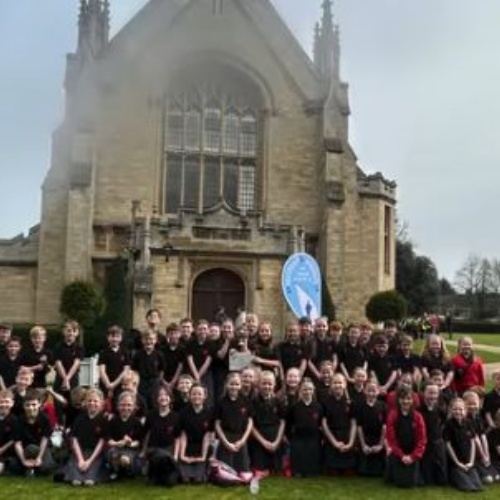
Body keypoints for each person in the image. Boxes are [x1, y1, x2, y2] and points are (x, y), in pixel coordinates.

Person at [64, 388, 108, 486]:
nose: (92, 403)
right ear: (85, 402)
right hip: (80, 452)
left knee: (89, 480)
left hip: (95, 454)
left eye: (95, 401)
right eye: (89, 401)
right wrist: (80, 459)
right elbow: (74, 439)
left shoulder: (104, 420)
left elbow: (101, 442)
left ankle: (91, 476)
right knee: (76, 480)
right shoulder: (79, 418)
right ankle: (76, 475)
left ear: (101, 403)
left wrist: (90, 461)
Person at [385, 385, 427, 488]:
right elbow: (391, 439)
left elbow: (422, 439)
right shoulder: (392, 415)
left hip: (413, 453)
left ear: (412, 400)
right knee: (400, 482)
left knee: (412, 483)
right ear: (398, 400)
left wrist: (413, 456)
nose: (405, 401)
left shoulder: (418, 416)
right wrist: (401, 455)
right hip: (398, 454)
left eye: (408, 399)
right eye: (403, 398)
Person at [214, 372, 253, 481]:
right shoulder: (221, 402)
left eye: (236, 384)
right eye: (231, 384)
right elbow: (217, 424)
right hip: (226, 438)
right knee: (225, 476)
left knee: (245, 475)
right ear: (227, 385)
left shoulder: (246, 401)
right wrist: (226, 442)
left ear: (240, 386)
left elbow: (250, 422)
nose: (234, 387)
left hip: (240, 438)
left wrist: (243, 440)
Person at [143, 385, 181, 486]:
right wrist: (144, 451)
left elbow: (177, 438)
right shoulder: (150, 415)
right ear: (157, 399)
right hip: (153, 449)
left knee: (170, 483)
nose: (163, 397)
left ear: (170, 398)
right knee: (162, 456)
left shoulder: (176, 416)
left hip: (169, 449)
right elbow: (147, 434)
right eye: (160, 395)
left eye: (166, 395)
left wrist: (175, 456)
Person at [250, 370, 285, 477]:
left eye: (270, 384)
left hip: (275, 436)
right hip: (259, 437)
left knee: (277, 469)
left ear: (274, 385)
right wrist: (263, 442)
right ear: (258, 384)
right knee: (259, 468)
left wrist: (277, 441)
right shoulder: (253, 402)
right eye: (264, 383)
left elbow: (282, 421)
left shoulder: (278, 401)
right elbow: (251, 425)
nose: (267, 386)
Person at [444, 397, 483, 492]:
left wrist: (471, 461)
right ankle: (457, 478)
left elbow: (473, 442)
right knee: (467, 487)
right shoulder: (448, 425)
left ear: (465, 410)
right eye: (455, 409)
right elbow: (448, 445)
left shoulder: (468, 423)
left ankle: (468, 475)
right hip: (456, 463)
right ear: (451, 410)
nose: (458, 412)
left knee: (478, 486)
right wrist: (457, 462)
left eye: (460, 409)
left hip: (468, 461)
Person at [286, 377, 323, 477]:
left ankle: (311, 471)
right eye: (305, 389)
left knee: (312, 456)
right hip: (298, 438)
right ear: (300, 390)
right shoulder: (294, 407)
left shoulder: (318, 407)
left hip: (313, 438)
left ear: (313, 391)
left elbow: (321, 424)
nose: (307, 392)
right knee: (298, 454)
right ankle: (298, 471)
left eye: (310, 389)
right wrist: (289, 437)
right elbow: (289, 423)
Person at [321, 373, 357, 474]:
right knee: (332, 472)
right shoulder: (325, 403)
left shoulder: (351, 403)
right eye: (335, 383)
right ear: (331, 385)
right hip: (331, 438)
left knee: (348, 472)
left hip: (347, 438)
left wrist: (350, 443)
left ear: (345, 384)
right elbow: (324, 424)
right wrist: (334, 443)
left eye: (340, 383)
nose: (337, 385)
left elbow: (354, 423)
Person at [13, 389, 54, 476]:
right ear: (23, 406)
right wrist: (23, 460)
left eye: (34, 404)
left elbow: (45, 440)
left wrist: (39, 457)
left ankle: (32, 468)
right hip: (26, 449)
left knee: (47, 468)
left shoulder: (45, 419)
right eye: (27, 405)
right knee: (30, 449)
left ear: (39, 404)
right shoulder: (18, 420)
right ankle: (28, 466)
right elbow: (17, 443)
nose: (31, 408)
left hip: (42, 448)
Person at [178, 383, 212, 484]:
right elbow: (183, 435)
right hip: (187, 448)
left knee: (198, 480)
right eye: (194, 394)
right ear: (189, 396)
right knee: (185, 479)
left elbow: (207, 436)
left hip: (202, 448)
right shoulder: (183, 413)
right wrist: (182, 456)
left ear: (204, 396)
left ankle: (204, 469)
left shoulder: (209, 413)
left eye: (199, 394)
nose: (196, 396)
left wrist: (203, 457)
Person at [107, 391, 145, 480]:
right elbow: (109, 439)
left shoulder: (137, 422)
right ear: (118, 406)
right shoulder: (113, 421)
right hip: (116, 447)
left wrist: (130, 443)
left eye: (129, 405)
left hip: (130, 450)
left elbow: (139, 442)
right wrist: (117, 443)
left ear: (134, 407)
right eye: (123, 405)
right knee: (113, 454)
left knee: (124, 459)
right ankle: (115, 471)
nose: (125, 408)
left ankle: (127, 472)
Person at [354, 380, 386, 477]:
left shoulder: (383, 406)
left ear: (378, 391)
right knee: (363, 471)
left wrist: (380, 445)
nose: (371, 393)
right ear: (365, 391)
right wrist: (363, 445)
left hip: (378, 439)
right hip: (365, 439)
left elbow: (384, 426)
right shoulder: (360, 406)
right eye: (369, 391)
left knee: (379, 471)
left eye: (374, 391)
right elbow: (359, 427)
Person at [419, 383, 448, 486]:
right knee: (428, 479)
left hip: (437, 443)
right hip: (425, 445)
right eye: (430, 393)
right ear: (424, 393)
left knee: (442, 479)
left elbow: (444, 423)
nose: (432, 396)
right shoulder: (419, 410)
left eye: (435, 393)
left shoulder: (440, 410)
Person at [131, 329, 165, 409]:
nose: (148, 341)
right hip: (141, 382)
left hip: (154, 382)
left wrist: (159, 380)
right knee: (142, 403)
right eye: (146, 339)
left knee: (154, 403)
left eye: (151, 339)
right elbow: (134, 370)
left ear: (155, 340)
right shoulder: (138, 354)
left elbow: (162, 369)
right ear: (142, 340)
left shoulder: (159, 354)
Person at [97, 325, 131, 400]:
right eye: (112, 336)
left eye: (117, 336)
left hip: (120, 385)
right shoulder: (103, 352)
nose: (115, 339)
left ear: (121, 338)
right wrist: (108, 385)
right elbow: (102, 371)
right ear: (108, 337)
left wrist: (114, 385)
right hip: (105, 385)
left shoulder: (125, 352)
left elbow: (125, 370)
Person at [0, 389, 18, 475]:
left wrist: (1, 450)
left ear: (12, 403)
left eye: (6, 402)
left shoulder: (15, 420)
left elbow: (13, 439)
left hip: (7, 453)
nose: (3, 404)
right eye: (1, 402)